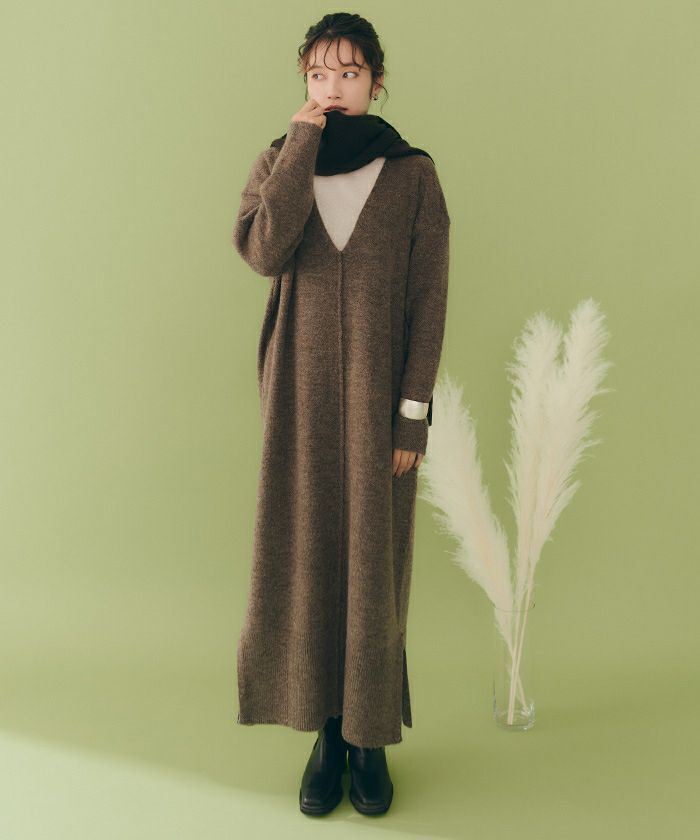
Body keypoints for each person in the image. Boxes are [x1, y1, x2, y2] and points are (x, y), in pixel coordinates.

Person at [231, 12, 450, 817]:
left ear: (376, 83)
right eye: (319, 74)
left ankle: (368, 737)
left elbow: (429, 302)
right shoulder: (278, 161)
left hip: (381, 408)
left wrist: (411, 419)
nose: (333, 88)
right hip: (298, 398)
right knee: (305, 559)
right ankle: (324, 731)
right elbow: (263, 252)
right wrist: (300, 146)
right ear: (304, 80)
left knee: (373, 570)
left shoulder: (414, 174)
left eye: (349, 74)